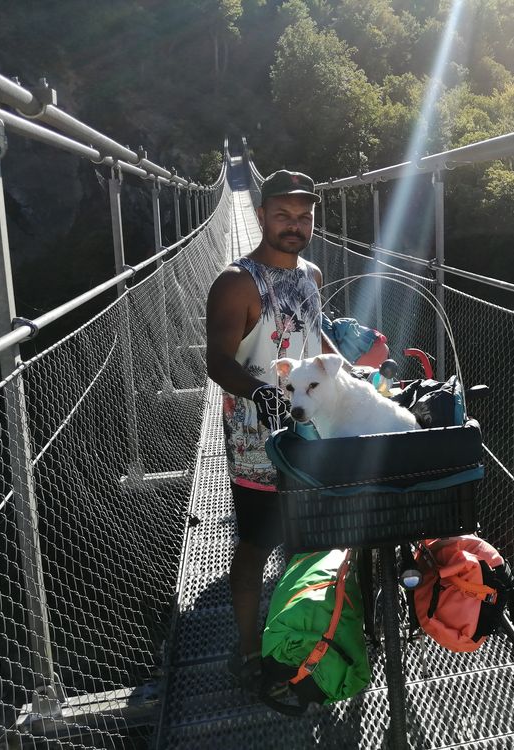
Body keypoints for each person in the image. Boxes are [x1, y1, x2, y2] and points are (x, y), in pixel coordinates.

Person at [205, 168, 335, 689]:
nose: (294, 225)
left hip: (311, 430)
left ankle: (300, 638)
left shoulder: (312, 275)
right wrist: (260, 392)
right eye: (283, 214)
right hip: (256, 439)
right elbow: (217, 361)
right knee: (258, 542)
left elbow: (315, 338)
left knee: (308, 538)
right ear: (260, 215)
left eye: (304, 216)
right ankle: (247, 649)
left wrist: (354, 376)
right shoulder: (236, 282)